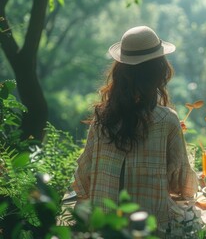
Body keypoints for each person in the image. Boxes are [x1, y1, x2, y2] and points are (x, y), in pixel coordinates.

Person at [72, 26, 198, 234]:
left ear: (120, 72)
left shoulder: (102, 118)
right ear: (159, 72)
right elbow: (184, 187)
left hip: (104, 231)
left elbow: (82, 179)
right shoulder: (167, 120)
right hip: (148, 231)